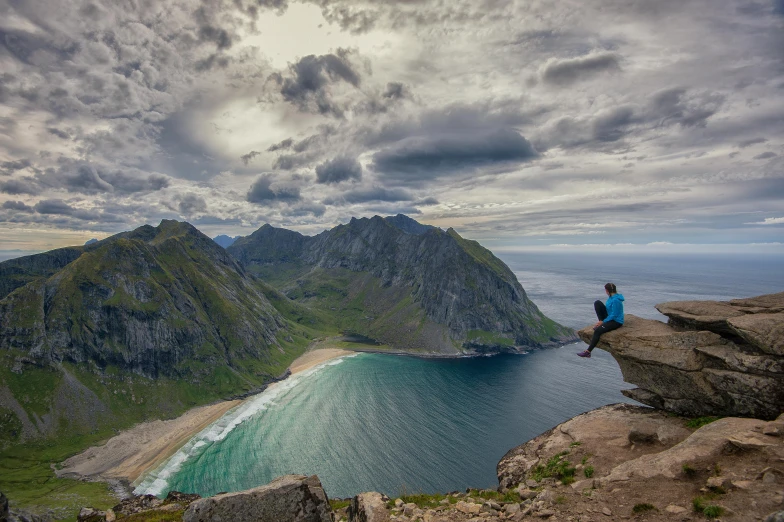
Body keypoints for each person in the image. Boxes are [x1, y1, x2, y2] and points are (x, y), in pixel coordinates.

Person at [577, 283, 624, 358]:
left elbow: (614, 314)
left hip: (616, 321)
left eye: (605, 290)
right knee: (597, 303)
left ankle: (588, 352)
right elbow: (610, 311)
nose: (605, 291)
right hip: (610, 317)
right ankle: (600, 323)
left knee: (598, 331)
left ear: (607, 290)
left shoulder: (616, 300)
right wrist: (602, 320)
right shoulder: (611, 297)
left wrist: (604, 321)